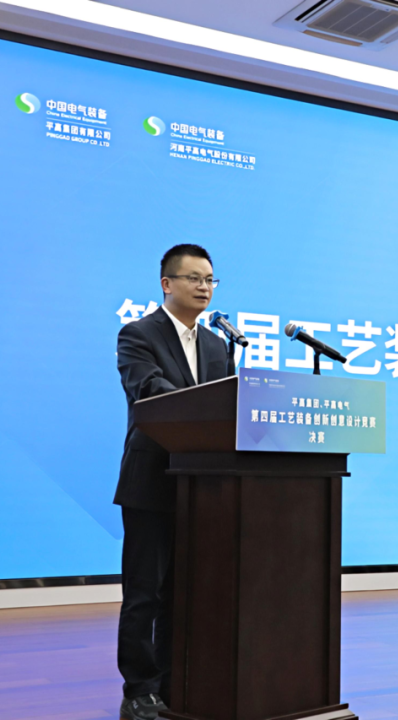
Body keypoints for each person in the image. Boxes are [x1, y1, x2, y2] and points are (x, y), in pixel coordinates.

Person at [114, 244, 234, 720]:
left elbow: (229, 410)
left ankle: (172, 682)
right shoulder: (137, 334)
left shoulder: (217, 346)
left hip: (202, 487)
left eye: (210, 280)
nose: (204, 287)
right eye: (194, 278)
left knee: (184, 593)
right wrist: (198, 406)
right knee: (145, 593)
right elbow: (147, 390)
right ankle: (139, 689)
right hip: (152, 481)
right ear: (167, 283)